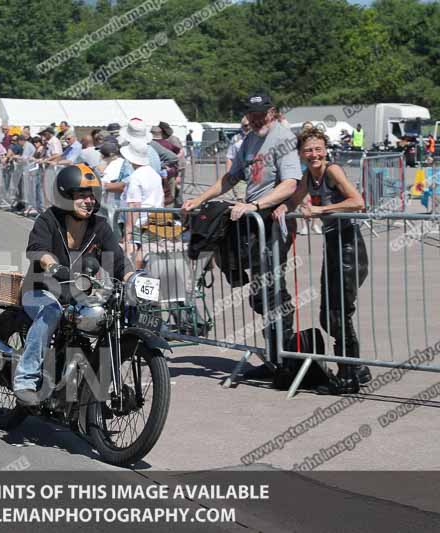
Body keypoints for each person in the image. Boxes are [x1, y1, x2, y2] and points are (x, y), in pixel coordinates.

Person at [183, 92, 301, 374]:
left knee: (272, 291)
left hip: (269, 221)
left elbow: (291, 184)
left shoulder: (283, 138)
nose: (257, 117)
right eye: (252, 113)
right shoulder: (249, 140)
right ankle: (276, 356)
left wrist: (256, 204)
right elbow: (231, 177)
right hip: (252, 221)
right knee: (261, 293)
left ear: (272, 112)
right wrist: (199, 200)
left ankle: (284, 359)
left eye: (262, 113)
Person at [14, 164, 135, 405]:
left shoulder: (99, 226)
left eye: (92, 195)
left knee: (110, 316)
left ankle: (90, 384)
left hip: (79, 294)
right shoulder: (48, 219)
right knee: (51, 312)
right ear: (66, 196)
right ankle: (25, 379)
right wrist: (53, 266)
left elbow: (118, 261)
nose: (89, 201)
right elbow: (38, 250)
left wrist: (133, 280)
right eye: (81, 195)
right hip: (40, 291)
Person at [274, 127, 370, 393]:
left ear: (325, 150)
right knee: (329, 315)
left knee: (338, 312)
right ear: (301, 153)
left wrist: (321, 209)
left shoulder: (332, 171)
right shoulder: (308, 175)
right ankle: (358, 368)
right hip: (333, 245)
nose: (313, 154)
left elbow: (358, 201)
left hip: (348, 246)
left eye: (317, 149)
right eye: (308, 150)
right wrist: (284, 207)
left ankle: (349, 376)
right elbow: (294, 199)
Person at [119, 141, 164, 268]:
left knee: (134, 259)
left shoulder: (136, 177)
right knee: (147, 256)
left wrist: (128, 232)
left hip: (140, 223)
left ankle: (134, 281)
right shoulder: (154, 174)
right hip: (155, 221)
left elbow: (134, 206)